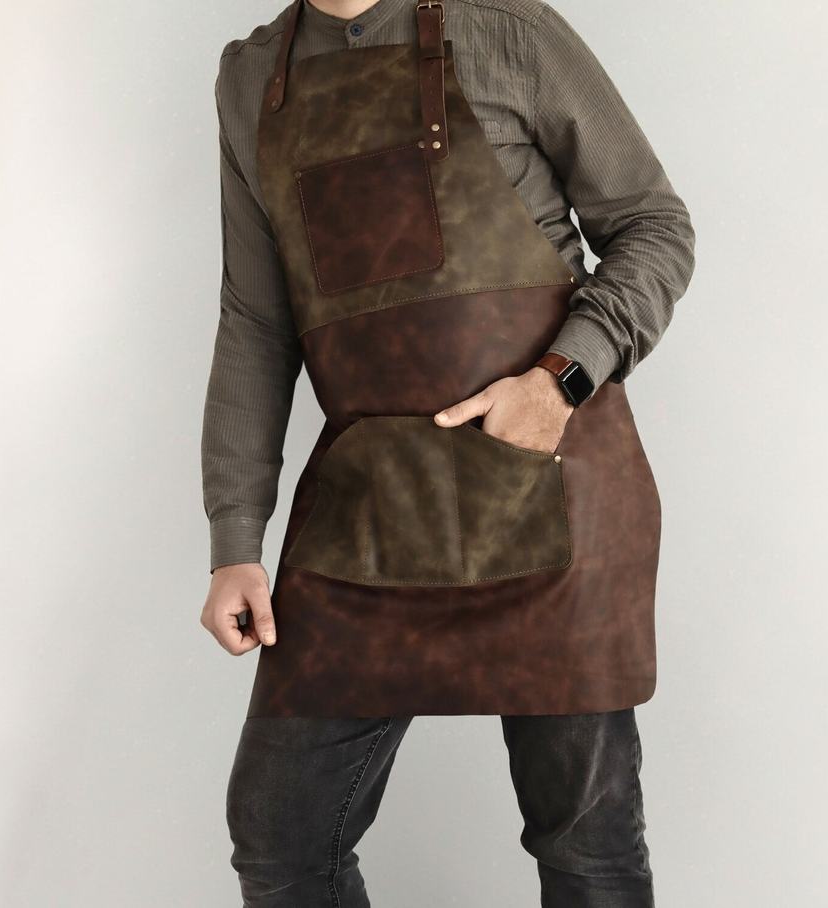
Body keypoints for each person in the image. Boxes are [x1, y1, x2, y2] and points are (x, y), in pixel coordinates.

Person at [199, 0, 695, 904]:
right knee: (280, 839)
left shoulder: (508, 31)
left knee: (588, 852)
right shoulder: (249, 78)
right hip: (371, 516)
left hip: (548, 495)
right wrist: (235, 539)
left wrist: (558, 382)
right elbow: (256, 322)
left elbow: (655, 226)